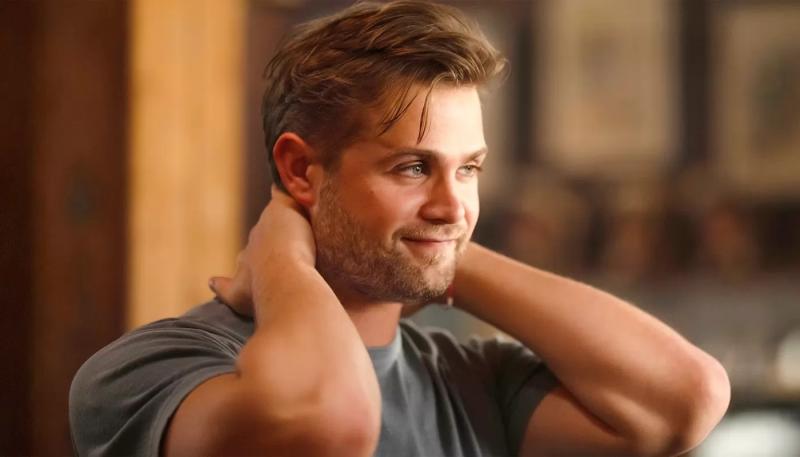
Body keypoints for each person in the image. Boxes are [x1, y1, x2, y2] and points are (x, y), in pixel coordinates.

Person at [69, 1, 731, 456]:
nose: (453, 203)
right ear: (300, 170)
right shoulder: (148, 371)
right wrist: (283, 257)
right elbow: (326, 423)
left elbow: (687, 398)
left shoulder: (472, 382)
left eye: (468, 169)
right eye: (413, 167)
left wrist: (448, 254)